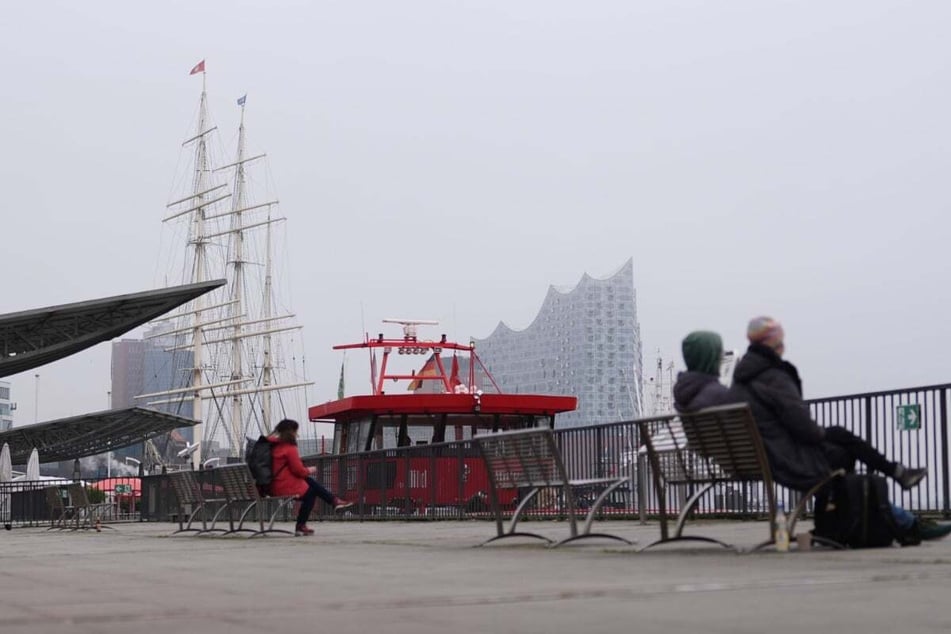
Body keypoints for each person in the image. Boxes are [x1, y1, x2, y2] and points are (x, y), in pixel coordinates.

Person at [730, 316, 950, 541]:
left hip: (767, 456)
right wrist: (819, 433)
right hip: (788, 461)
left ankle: (859, 515)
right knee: (842, 451)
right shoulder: (774, 377)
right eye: (781, 341)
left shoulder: (739, 383)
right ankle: (898, 509)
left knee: (839, 440)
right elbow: (806, 429)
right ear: (773, 343)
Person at [267, 418, 354, 536]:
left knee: (309, 483)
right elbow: (299, 471)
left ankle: (334, 501)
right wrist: (310, 469)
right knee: (311, 492)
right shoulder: (289, 448)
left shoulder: (273, 446)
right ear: (291, 432)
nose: (297, 434)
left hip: (270, 485)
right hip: (281, 486)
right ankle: (302, 524)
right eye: (295, 431)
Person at [673, 330, 731, 412]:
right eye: (719, 352)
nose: (722, 357)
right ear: (711, 357)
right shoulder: (722, 395)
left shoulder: (681, 393)